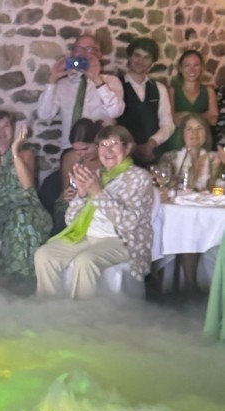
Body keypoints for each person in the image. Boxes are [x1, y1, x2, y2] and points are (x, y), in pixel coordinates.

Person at [34, 124, 154, 299]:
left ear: (127, 148)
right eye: (103, 145)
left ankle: (83, 317)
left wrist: (98, 192)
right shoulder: (99, 175)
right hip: (88, 236)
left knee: (85, 261)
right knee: (44, 254)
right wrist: (81, 195)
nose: (108, 150)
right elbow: (70, 220)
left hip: (122, 241)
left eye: (114, 144)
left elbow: (129, 223)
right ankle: (50, 309)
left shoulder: (138, 177)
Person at [0, 111, 51, 294]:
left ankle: (6, 279)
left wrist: (14, 152)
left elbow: (27, 185)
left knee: (22, 215)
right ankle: (30, 283)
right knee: (18, 219)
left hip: (34, 213)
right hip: (4, 219)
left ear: (13, 130)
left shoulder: (25, 154)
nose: (1, 130)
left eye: (6, 125)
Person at [157, 115, 225, 294]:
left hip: (210, 216)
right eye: (189, 129)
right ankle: (189, 286)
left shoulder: (215, 159)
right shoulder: (170, 157)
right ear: (182, 134)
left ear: (206, 134)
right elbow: (163, 185)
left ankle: (208, 289)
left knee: (195, 227)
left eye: (199, 128)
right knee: (188, 228)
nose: (194, 133)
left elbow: (219, 188)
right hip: (180, 215)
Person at [36, 32, 124, 149]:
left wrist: (97, 79)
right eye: (78, 49)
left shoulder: (111, 81)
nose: (82, 53)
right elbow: (44, 114)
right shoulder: (63, 84)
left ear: (99, 54)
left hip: (100, 149)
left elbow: (115, 112)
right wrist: (52, 79)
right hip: (70, 148)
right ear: (73, 53)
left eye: (89, 49)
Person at [117, 38, 173, 164]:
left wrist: (151, 144)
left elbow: (168, 124)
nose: (140, 61)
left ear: (152, 62)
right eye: (137, 55)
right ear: (130, 57)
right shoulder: (116, 85)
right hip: (123, 156)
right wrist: (134, 148)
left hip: (154, 155)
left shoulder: (160, 88)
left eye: (146, 57)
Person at [162, 48, 218, 153]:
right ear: (180, 68)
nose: (192, 70)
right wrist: (202, 116)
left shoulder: (209, 90)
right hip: (177, 143)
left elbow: (213, 120)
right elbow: (173, 120)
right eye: (187, 66)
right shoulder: (172, 91)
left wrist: (185, 114)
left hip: (202, 143)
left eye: (196, 65)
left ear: (201, 67)